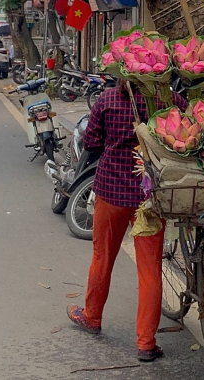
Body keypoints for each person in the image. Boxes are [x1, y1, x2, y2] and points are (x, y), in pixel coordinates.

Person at [67, 82, 187, 362]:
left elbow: (92, 142)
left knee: (102, 257)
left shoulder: (107, 99)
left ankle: (92, 317)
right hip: (150, 196)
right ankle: (146, 343)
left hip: (110, 191)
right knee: (149, 270)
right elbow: (189, 132)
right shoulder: (169, 101)